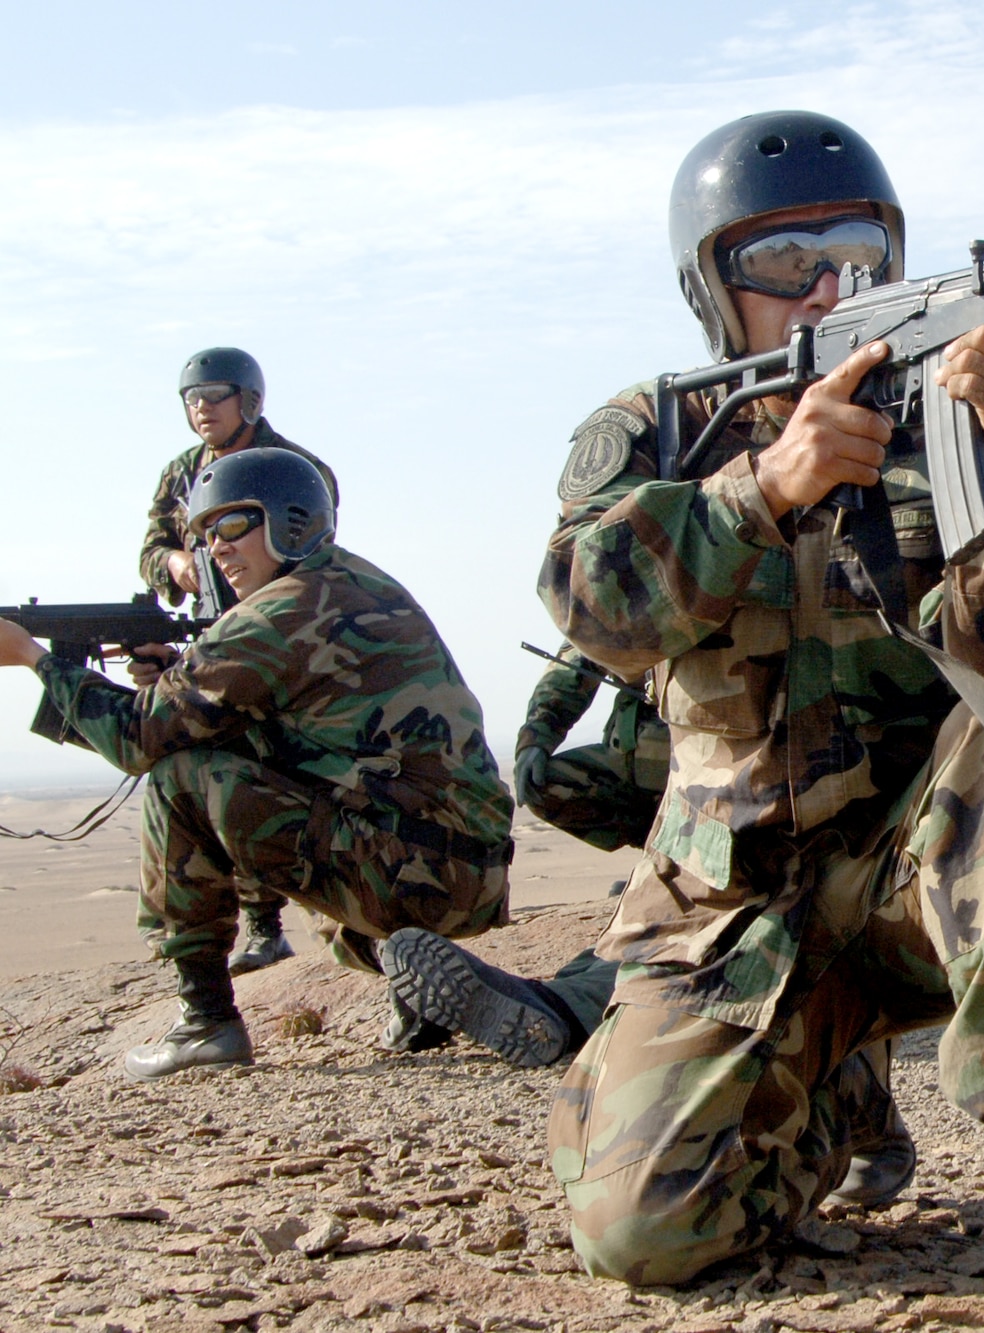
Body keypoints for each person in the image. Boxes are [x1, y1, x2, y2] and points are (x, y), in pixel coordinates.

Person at [390, 111, 984, 1329]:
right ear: (712, 288)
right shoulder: (655, 428)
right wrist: (763, 490)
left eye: (854, 251)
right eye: (781, 266)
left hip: (918, 872)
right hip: (732, 906)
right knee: (643, 1233)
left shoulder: (940, 418)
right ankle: (821, 1083)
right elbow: (593, 605)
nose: (824, 288)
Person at [0, 448, 512, 1080]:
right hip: (464, 873)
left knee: (180, 777)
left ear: (289, 522)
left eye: (232, 526)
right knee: (238, 764)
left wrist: (34, 659)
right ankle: (419, 984)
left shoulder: (280, 610)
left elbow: (140, 739)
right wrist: (174, 681)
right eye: (207, 535)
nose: (217, 548)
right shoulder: (353, 581)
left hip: (415, 875)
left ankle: (205, 1022)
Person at [140, 347, 341, 975]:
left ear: (249, 401)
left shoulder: (293, 466)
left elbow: (316, 548)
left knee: (275, 760)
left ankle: (287, 922)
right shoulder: (180, 472)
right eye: (191, 399)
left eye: (214, 396)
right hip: (210, 631)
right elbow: (150, 548)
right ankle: (251, 927)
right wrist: (174, 565)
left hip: (283, 633)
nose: (201, 408)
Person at [514, 642, 671, 855]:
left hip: (713, 765)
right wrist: (537, 736)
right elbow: (580, 653)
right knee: (541, 782)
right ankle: (657, 851)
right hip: (634, 763)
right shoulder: (625, 612)